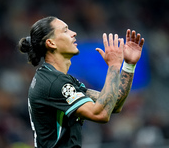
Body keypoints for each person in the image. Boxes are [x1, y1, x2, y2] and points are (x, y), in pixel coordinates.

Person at [18, 16, 144, 148]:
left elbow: (113, 104)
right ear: (51, 43)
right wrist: (113, 66)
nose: (74, 33)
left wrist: (129, 65)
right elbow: (101, 114)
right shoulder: (53, 82)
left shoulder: (58, 79)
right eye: (65, 30)